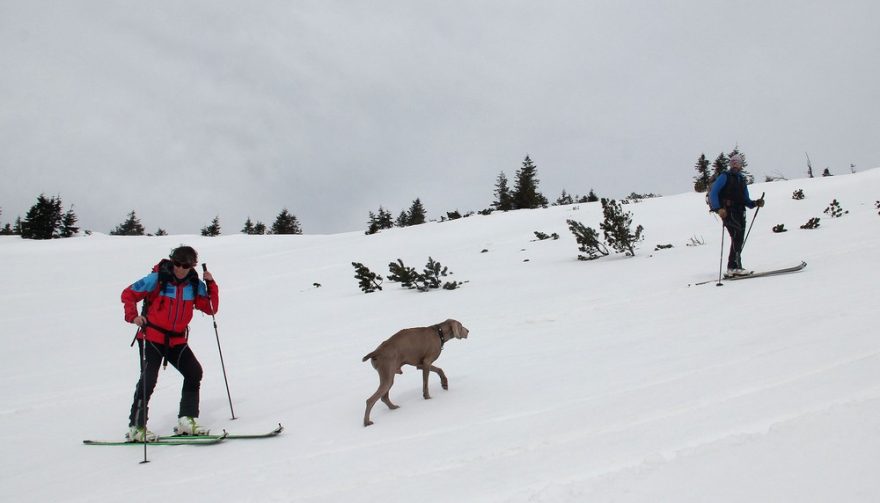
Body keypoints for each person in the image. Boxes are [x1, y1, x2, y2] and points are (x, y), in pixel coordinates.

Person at [121, 246, 219, 441]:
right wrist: (133, 317)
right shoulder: (157, 279)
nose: (181, 269)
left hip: (176, 340)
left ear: (193, 266)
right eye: (177, 264)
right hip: (152, 337)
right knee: (148, 379)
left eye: (186, 265)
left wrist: (211, 284)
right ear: (172, 261)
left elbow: (210, 308)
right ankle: (136, 427)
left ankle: (186, 420)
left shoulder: (195, 284)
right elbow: (128, 294)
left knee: (194, 372)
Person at [709, 153, 764, 276]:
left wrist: (755, 203)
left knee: (738, 238)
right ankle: (733, 267)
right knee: (737, 235)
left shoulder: (741, 179)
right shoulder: (725, 176)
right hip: (728, 211)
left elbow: (746, 200)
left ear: (741, 165)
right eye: (732, 162)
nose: (735, 164)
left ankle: (734, 267)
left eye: (737, 162)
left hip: (740, 211)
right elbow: (713, 193)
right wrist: (718, 209)